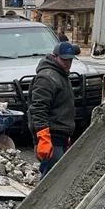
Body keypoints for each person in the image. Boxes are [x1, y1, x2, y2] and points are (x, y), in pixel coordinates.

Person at [28, 41, 79, 176]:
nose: (67, 63)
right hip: (51, 136)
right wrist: (43, 138)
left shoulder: (61, 75)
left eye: (70, 60)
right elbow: (38, 109)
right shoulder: (47, 77)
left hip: (59, 136)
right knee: (51, 179)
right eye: (64, 59)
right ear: (54, 56)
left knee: (55, 177)